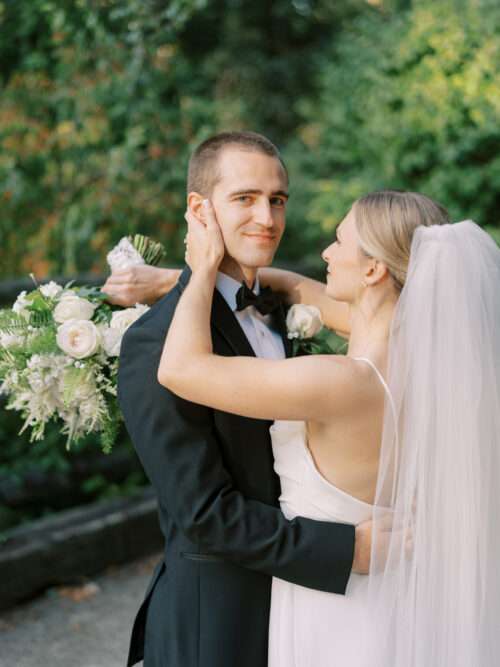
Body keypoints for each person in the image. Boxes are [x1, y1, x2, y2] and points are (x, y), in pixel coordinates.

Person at [155, 190, 500, 665]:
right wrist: (164, 280)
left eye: (338, 242)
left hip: (337, 610)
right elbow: (297, 286)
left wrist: (202, 265)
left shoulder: (342, 382)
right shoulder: (434, 362)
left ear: (374, 269)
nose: (326, 254)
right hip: (397, 600)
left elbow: (179, 369)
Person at [113, 131, 373, 667]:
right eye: (245, 198)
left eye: (277, 199)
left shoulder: (284, 314)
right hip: (220, 621)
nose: (268, 217)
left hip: (306, 616)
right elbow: (205, 513)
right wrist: (347, 550)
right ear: (198, 209)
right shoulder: (156, 343)